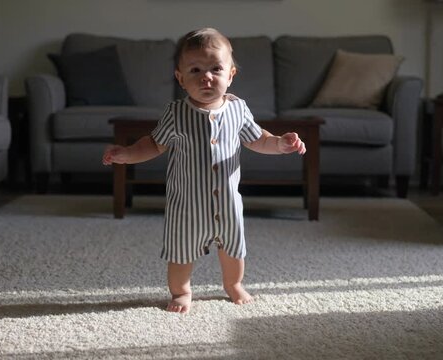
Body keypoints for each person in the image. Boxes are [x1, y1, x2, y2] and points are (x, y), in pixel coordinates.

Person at [103, 28, 306, 314]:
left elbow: (260, 140)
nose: (206, 76)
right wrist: (126, 154)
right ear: (180, 78)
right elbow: (152, 144)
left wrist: (281, 144)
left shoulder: (238, 109)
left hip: (227, 202)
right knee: (181, 253)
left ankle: (233, 284)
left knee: (233, 249)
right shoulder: (176, 113)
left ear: (231, 75)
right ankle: (181, 292)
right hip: (186, 206)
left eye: (215, 68)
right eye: (195, 69)